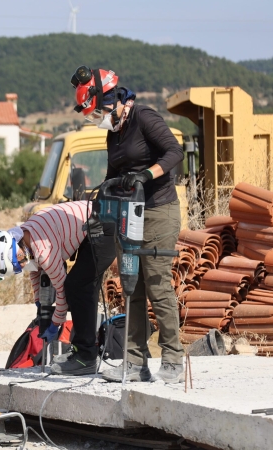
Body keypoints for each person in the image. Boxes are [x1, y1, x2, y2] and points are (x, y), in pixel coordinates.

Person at [70, 65, 184, 383]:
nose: (98, 120)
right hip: (127, 214)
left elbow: (174, 152)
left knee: (158, 283)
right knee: (131, 285)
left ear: (112, 98)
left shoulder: (143, 118)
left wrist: (147, 174)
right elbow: (110, 177)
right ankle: (134, 362)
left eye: (99, 113)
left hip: (159, 212)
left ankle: (173, 359)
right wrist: (97, 212)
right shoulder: (113, 132)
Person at [0, 200, 116, 376]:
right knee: (83, 287)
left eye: (17, 263)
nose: (21, 266)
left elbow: (62, 293)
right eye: (17, 268)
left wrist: (55, 323)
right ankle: (83, 352)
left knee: (77, 287)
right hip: (90, 225)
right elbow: (34, 270)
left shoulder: (44, 251)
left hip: (102, 224)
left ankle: (85, 357)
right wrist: (39, 302)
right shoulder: (25, 235)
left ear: (15, 248)